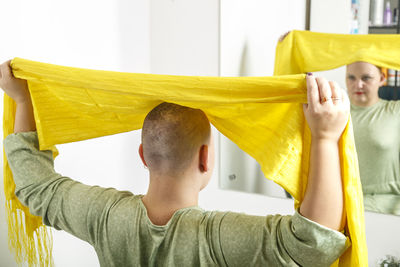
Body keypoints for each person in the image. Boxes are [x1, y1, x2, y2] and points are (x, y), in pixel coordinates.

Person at [1, 60, 349, 266]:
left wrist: (21, 97)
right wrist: (324, 138)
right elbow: (313, 243)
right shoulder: (217, 238)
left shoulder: (105, 217)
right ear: (205, 158)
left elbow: (36, 185)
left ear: (143, 156)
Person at [346, 61, 400, 215]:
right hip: (344, 203)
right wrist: (293, 44)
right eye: (351, 78)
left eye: (366, 78)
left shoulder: (396, 111)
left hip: (389, 207)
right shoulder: (334, 113)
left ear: (382, 78)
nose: (358, 84)